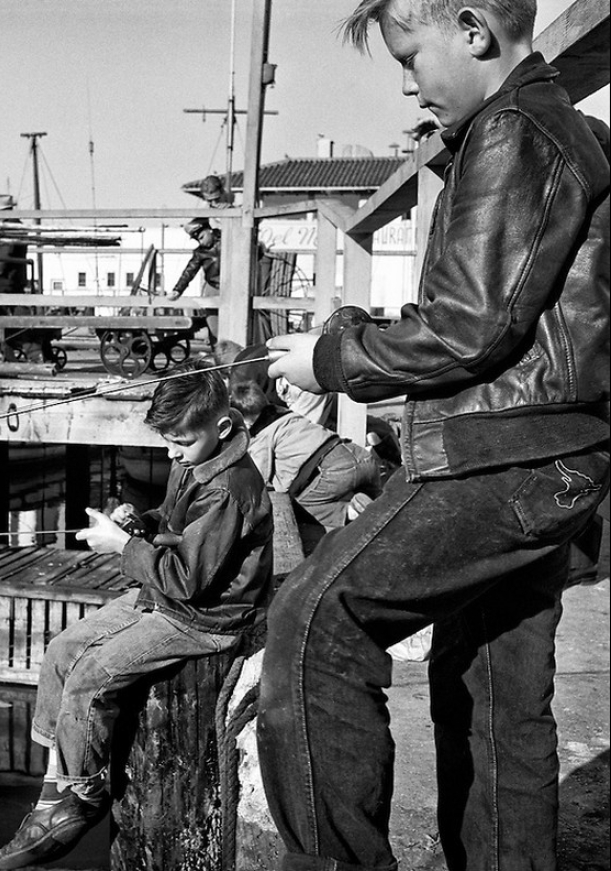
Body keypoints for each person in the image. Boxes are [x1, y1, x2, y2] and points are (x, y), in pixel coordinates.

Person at [257, 2, 610, 870]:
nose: (408, 82)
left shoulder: (512, 132)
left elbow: (468, 329)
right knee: (494, 691)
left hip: (502, 453)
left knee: (312, 622)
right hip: (552, 455)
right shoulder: (557, 128)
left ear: (470, 30)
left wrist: (332, 359)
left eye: (411, 57)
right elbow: (503, 314)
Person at [0, 360, 274, 870]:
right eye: (166, 440)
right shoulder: (195, 460)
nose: (170, 452)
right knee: (60, 651)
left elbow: (188, 580)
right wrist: (135, 522)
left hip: (205, 619)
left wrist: (122, 547)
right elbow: (171, 523)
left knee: (91, 679)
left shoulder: (231, 487)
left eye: (179, 442)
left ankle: (81, 797)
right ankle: (55, 782)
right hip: (167, 596)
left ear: (222, 427)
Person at [230, 378, 381, 553]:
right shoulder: (287, 414)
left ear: (245, 422)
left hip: (331, 471)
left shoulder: (261, 437)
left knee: (301, 508)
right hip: (358, 454)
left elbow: (257, 478)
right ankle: (379, 503)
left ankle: (350, 510)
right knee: (383, 507)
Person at [0, 194, 47, 363]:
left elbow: (3, 257)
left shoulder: (11, 230)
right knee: (5, 320)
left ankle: (29, 353)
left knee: (5, 320)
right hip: (10, 282)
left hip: (7, 283)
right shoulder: (9, 229)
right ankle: (1, 352)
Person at [169, 217, 221, 348]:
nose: (201, 241)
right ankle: (219, 357)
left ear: (209, 230)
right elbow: (189, 271)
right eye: (197, 239)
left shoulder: (229, 239)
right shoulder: (200, 253)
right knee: (215, 329)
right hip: (213, 288)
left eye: (202, 236)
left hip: (234, 287)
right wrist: (178, 290)